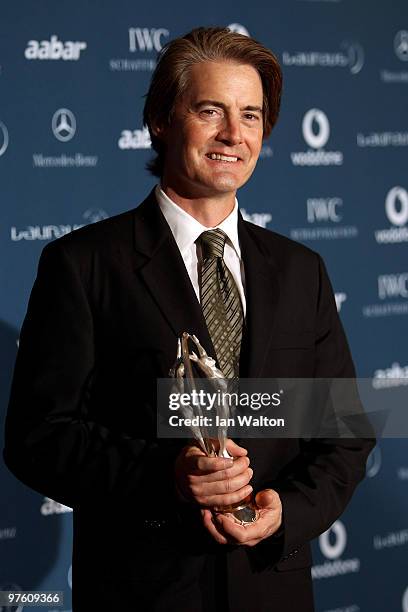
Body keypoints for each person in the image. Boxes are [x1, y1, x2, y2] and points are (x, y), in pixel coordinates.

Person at [4, 27, 374, 612]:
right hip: (143, 592)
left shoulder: (304, 270)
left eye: (250, 116)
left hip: (271, 587)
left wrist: (287, 511)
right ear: (160, 119)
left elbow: (347, 430)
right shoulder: (83, 264)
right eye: (211, 111)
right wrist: (166, 476)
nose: (234, 134)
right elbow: (37, 438)